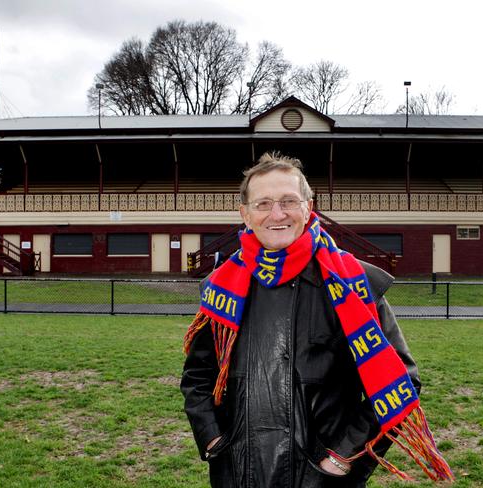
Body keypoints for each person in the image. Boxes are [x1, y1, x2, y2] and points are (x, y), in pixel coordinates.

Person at [181, 152, 453, 487]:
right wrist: (212, 439)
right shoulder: (220, 288)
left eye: (288, 201)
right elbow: (197, 377)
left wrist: (344, 456)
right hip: (238, 473)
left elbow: (401, 382)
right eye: (263, 203)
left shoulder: (356, 285)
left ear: (309, 207)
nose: (276, 214)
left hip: (320, 476)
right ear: (246, 214)